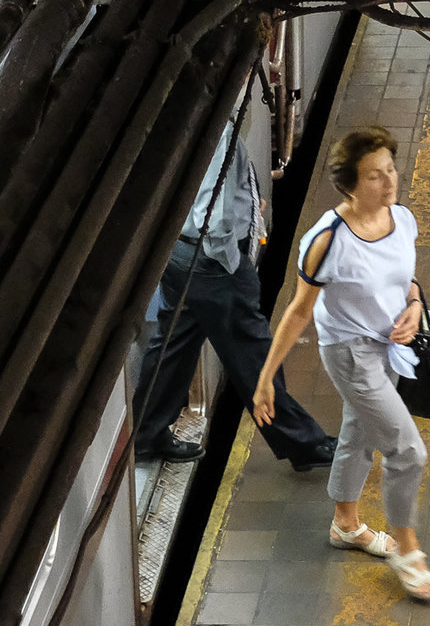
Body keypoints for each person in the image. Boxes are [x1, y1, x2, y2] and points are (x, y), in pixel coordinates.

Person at [255, 126, 430, 602]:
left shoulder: (402, 219)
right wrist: (266, 379)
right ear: (350, 185)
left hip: (390, 348)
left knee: (359, 433)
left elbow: (405, 280)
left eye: (391, 170)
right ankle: (408, 550)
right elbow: (298, 310)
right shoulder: (327, 241)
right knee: (408, 452)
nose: (389, 182)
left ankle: (345, 524)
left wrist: (415, 305)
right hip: (351, 354)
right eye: (376, 176)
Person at [134, 118, 335, 470]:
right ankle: (302, 442)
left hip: (179, 253)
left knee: (173, 345)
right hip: (212, 263)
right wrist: (230, 258)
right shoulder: (217, 128)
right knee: (252, 349)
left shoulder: (180, 111)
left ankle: (146, 434)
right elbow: (213, 213)